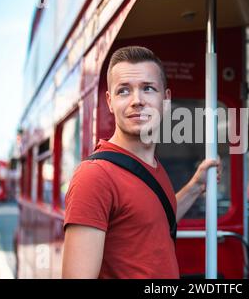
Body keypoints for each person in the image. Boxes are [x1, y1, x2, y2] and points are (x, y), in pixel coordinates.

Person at [62, 46, 221, 279]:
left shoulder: (155, 167)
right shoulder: (94, 176)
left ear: (165, 100)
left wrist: (195, 187)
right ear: (109, 101)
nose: (137, 101)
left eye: (148, 88)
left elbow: (150, 225)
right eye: (124, 91)